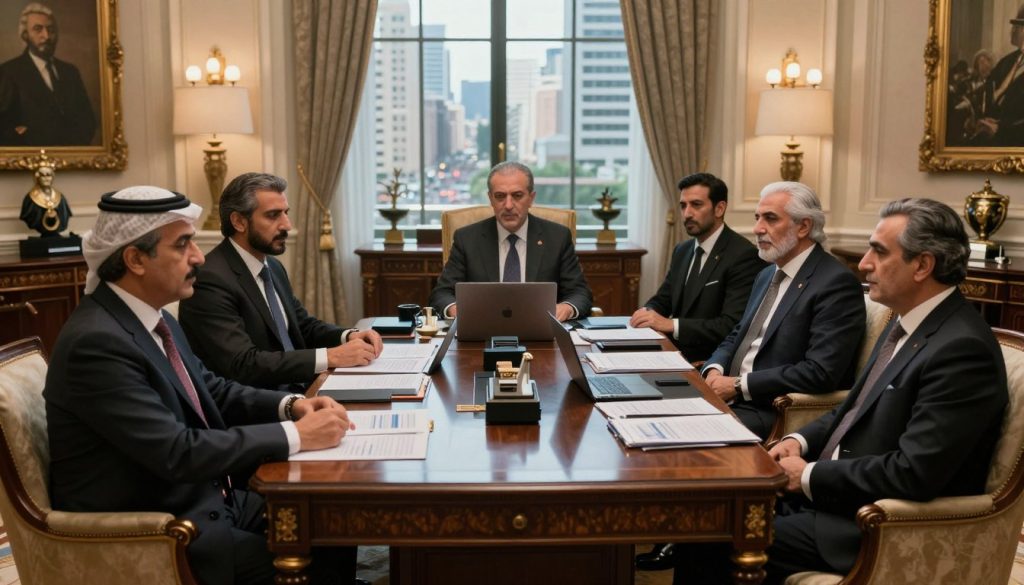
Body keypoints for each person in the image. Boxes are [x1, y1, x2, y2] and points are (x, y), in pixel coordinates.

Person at [44, 186, 362, 585]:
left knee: (335, 515)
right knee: (316, 554)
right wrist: (296, 435)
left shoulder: (155, 318)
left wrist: (293, 405)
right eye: (183, 245)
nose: (198, 257)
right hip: (161, 530)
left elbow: (212, 389)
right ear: (135, 259)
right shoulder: (96, 343)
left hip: (206, 499)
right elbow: (177, 451)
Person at [755, 198, 1007, 583]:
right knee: (718, 509)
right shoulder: (905, 323)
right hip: (832, 499)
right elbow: (853, 411)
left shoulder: (961, 350)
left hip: (871, 526)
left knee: (721, 535)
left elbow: (913, 472)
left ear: (922, 265)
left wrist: (808, 475)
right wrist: (798, 442)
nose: (864, 264)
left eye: (879, 251)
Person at [179, 172, 382, 390]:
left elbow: (302, 326)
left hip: (299, 389)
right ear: (238, 222)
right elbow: (243, 364)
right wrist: (331, 356)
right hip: (258, 402)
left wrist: (348, 335)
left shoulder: (273, 267)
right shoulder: (209, 280)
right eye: (273, 215)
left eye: (286, 213)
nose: (287, 225)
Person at [702, 181, 865, 440]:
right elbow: (739, 334)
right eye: (757, 218)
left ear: (804, 227)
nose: (757, 229)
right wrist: (715, 369)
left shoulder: (835, 282)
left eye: (770, 218)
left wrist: (738, 385)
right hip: (728, 396)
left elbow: (820, 372)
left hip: (772, 410)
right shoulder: (767, 274)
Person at [428, 161, 593, 321]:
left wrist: (566, 308)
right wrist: (455, 309)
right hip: (482, 329)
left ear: (531, 198)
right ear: (490, 199)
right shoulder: (467, 239)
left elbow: (580, 293)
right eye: (500, 196)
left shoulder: (557, 237)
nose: (508, 205)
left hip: (541, 329)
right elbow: (441, 293)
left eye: (517, 195)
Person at [630, 172, 765, 363]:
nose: (687, 214)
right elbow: (664, 299)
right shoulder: (682, 250)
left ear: (719, 208)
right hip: (672, 354)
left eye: (696, 204)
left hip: (709, 361)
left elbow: (731, 325)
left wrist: (672, 325)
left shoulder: (744, 255)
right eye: (683, 206)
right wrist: (647, 312)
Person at [0, 3, 96, 146]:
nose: (46, 36)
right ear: (25, 35)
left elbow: (88, 122)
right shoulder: (9, 72)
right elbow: (4, 128)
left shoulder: (70, 72)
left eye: (51, 30)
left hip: (71, 156)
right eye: (38, 29)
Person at [972, 5, 1024, 146]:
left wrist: (1001, 128)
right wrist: (987, 119)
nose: (1012, 30)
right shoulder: (1007, 61)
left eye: (1017, 26)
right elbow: (989, 91)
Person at [19, 162, 71, 235]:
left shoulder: (60, 197)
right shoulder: (30, 199)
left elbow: (64, 215)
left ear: (52, 177)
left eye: (49, 175)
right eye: (43, 175)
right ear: (37, 178)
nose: (46, 179)